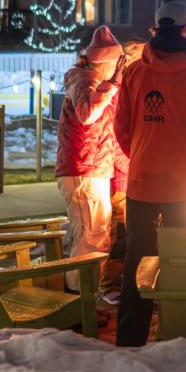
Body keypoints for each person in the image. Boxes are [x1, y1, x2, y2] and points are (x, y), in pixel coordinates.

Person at [114, 2, 186, 347]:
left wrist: (143, 154)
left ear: (155, 28)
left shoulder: (134, 72)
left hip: (142, 181)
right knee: (180, 257)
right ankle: (174, 335)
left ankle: (130, 338)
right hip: (183, 184)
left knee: (136, 259)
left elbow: (122, 128)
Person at [53, 25, 122, 291]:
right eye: (117, 64)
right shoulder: (86, 81)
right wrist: (113, 84)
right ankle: (80, 300)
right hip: (85, 170)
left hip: (92, 168)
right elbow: (87, 114)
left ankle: (83, 297)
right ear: (106, 62)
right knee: (91, 240)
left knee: (93, 236)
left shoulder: (94, 83)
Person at [100, 38, 149, 305]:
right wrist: (135, 166)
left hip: (139, 179)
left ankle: (136, 285)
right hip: (122, 181)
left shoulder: (139, 89)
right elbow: (115, 140)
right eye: (141, 59)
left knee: (136, 237)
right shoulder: (119, 94)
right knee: (120, 236)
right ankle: (111, 286)